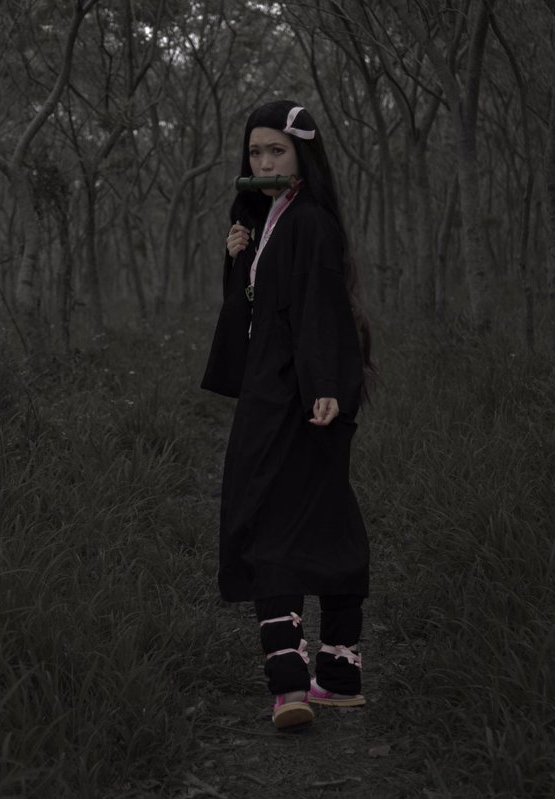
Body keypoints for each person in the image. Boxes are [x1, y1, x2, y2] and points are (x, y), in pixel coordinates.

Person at [201, 100, 376, 730]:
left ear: (303, 154)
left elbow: (321, 303)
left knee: (284, 524)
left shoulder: (310, 222)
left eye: (277, 150)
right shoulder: (271, 218)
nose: (265, 161)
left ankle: (298, 684)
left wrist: (325, 384)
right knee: (300, 521)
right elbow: (256, 311)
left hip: (301, 395)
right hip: (273, 390)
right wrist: (238, 258)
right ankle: (329, 679)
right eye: (256, 152)